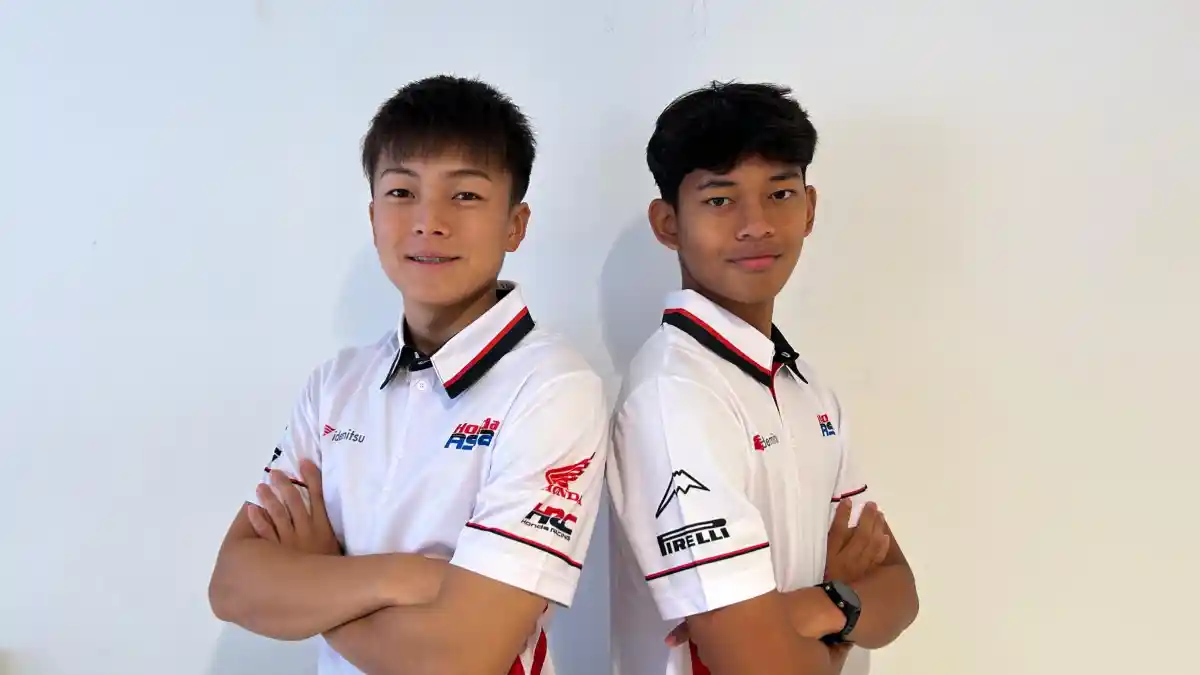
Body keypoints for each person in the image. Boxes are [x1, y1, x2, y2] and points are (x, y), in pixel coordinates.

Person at [207, 75, 610, 675]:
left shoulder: (553, 387)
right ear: (373, 216)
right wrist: (410, 577)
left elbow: (461, 656)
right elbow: (233, 587)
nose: (429, 221)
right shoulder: (335, 385)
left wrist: (316, 577)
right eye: (401, 192)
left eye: (465, 195)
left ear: (515, 224)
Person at [607, 81, 919, 675]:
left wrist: (817, 606)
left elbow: (899, 590)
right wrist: (843, 616)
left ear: (810, 208)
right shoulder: (676, 396)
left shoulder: (804, 387)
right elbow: (757, 664)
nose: (756, 225)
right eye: (720, 200)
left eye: (779, 193)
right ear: (668, 223)